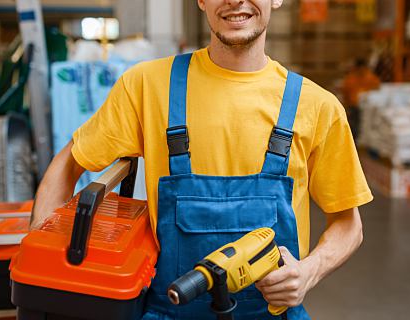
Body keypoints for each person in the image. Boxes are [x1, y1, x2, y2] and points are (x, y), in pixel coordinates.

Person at [30, 0, 372, 319]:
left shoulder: (317, 107)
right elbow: (69, 163)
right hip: (169, 310)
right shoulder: (147, 86)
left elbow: (348, 224)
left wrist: (310, 271)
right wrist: (39, 268)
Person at [341, 58, 381, 138]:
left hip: (366, 107)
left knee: (364, 127)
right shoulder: (350, 78)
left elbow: (377, 91)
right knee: (355, 128)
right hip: (355, 107)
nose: (361, 70)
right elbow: (345, 92)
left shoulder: (371, 78)